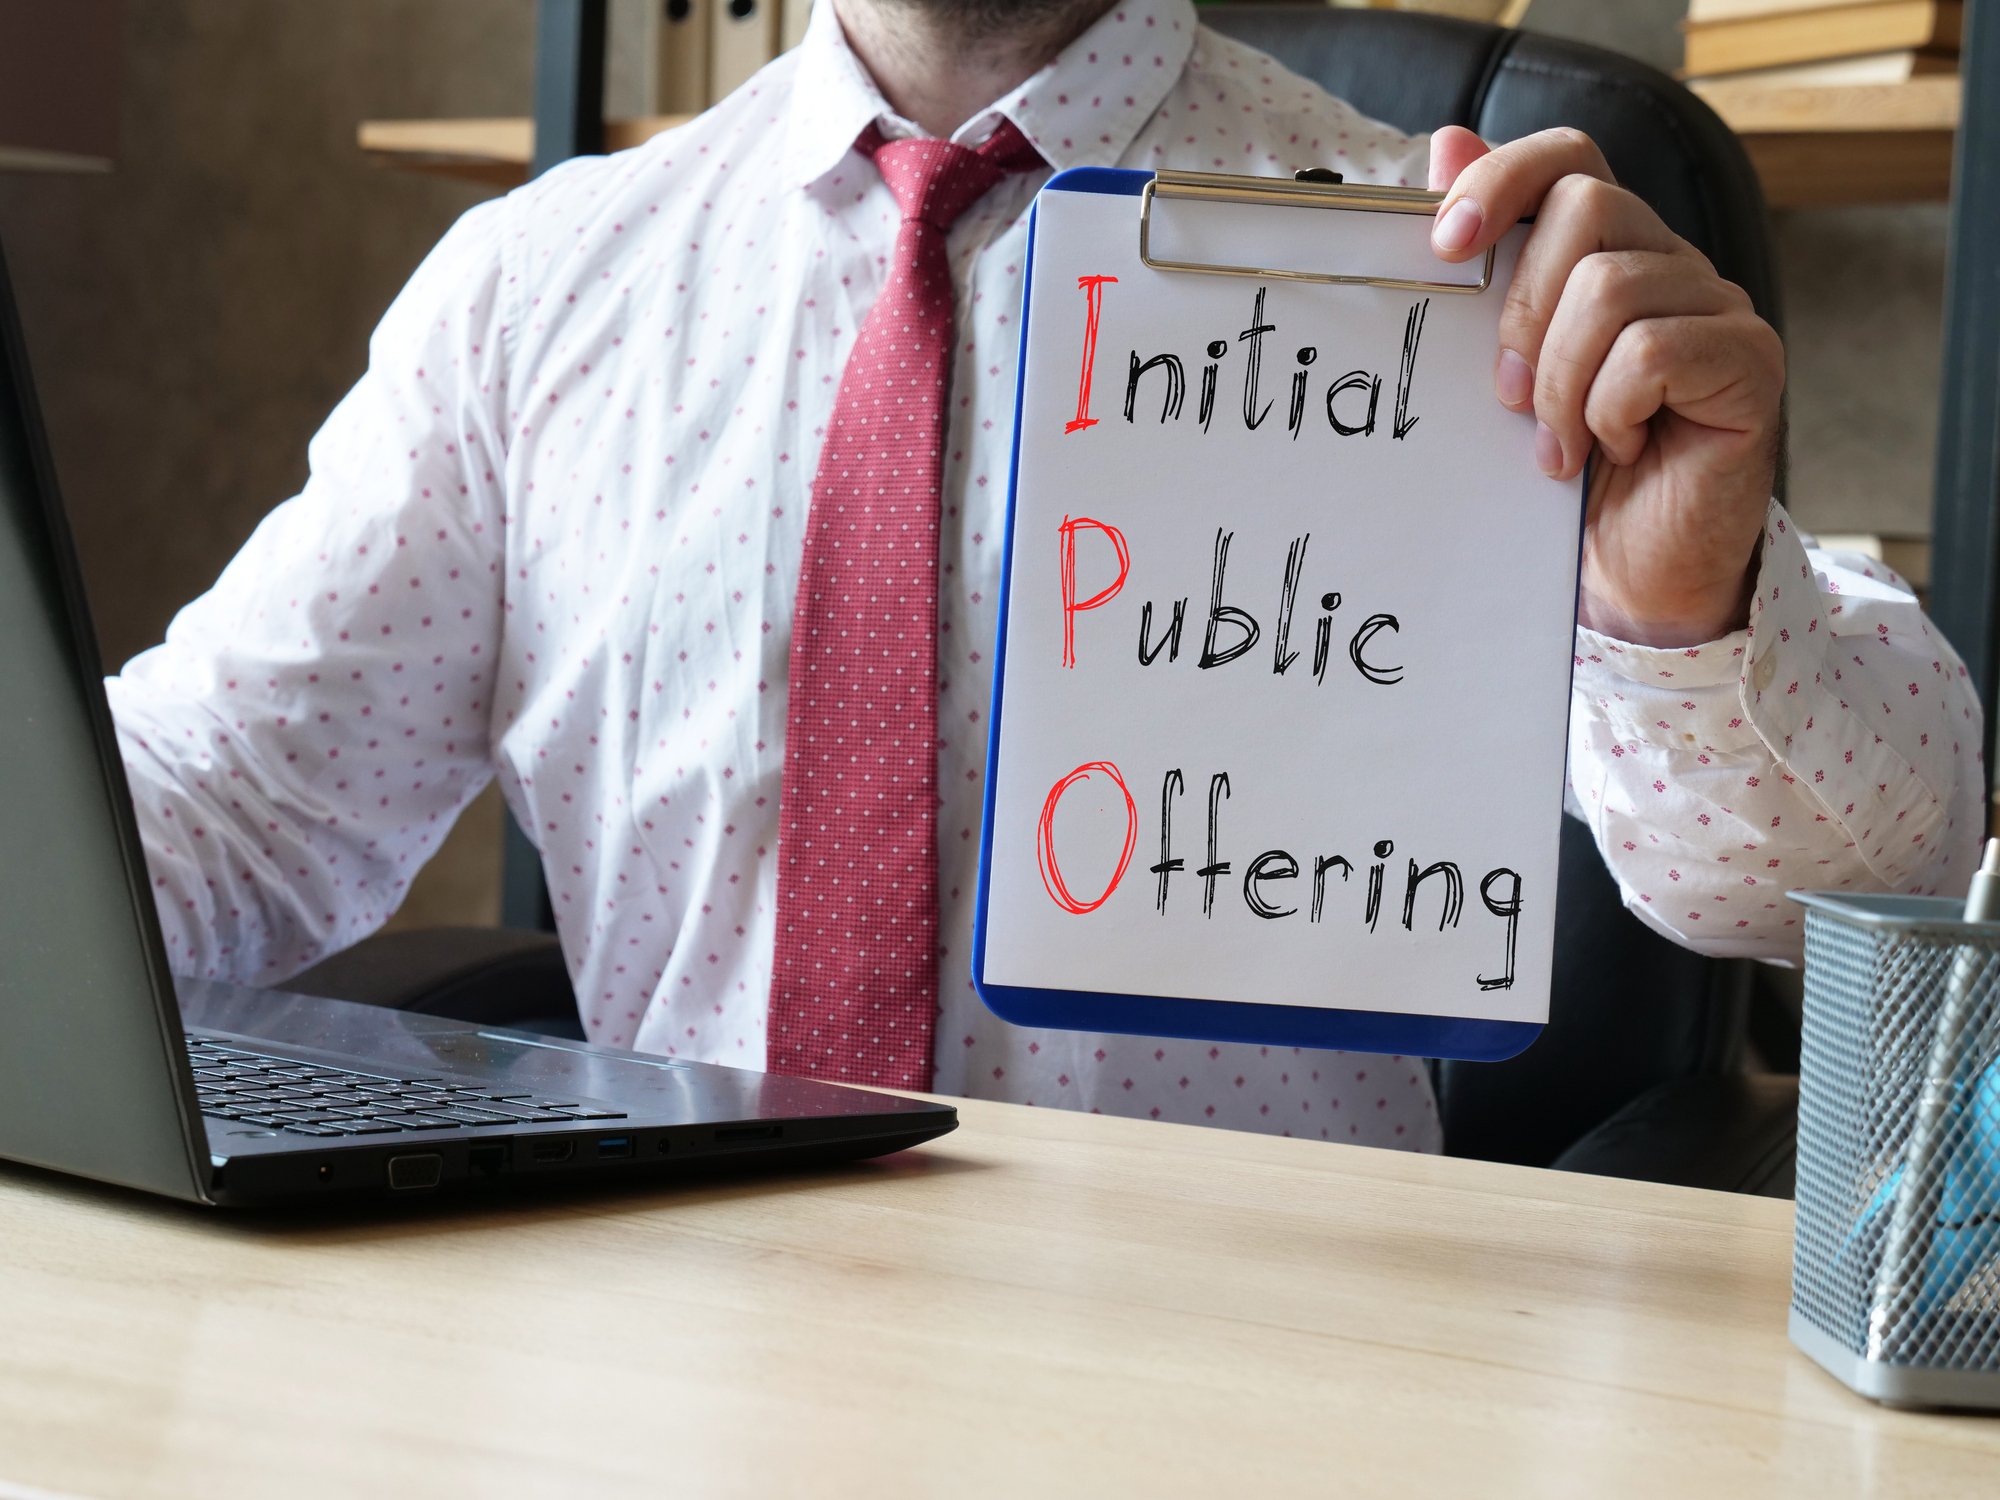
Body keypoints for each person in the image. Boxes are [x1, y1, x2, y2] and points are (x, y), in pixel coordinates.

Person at [108, 0, 1981, 1149]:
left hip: (1242, 1401)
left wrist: (1681, 607)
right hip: (665, 1360)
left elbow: (1874, 866)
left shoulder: (1447, 272)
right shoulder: (532, 298)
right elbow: (216, 815)